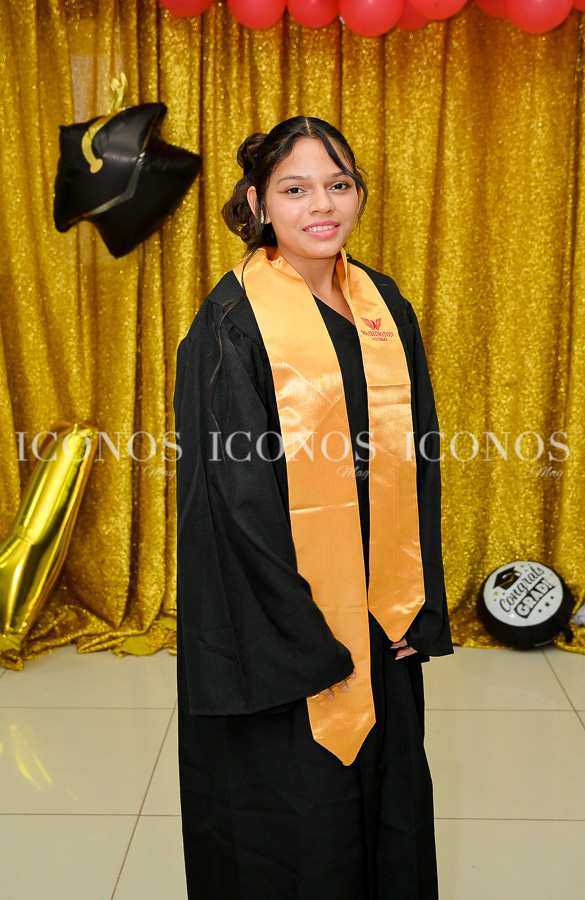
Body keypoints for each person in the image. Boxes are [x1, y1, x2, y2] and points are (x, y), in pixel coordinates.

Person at [174, 115, 453, 900]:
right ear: (257, 203)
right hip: (283, 632)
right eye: (294, 189)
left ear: (359, 193)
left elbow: (418, 459)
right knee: (297, 832)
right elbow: (231, 501)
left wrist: (417, 604)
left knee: (386, 816)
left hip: (377, 611)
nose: (320, 205)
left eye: (337, 184)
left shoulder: (382, 304)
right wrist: (306, 640)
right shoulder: (231, 324)